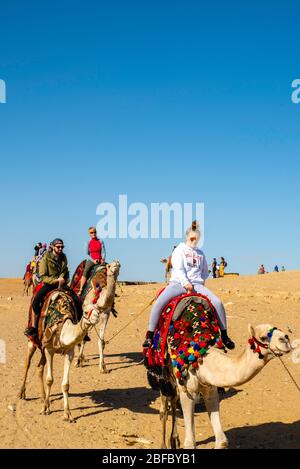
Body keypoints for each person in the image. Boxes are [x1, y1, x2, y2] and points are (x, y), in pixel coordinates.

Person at [143, 221, 235, 350]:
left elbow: (204, 272)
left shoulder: (201, 254)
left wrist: (199, 282)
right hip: (178, 283)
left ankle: (224, 335)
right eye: (192, 238)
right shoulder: (179, 250)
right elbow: (179, 268)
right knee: (159, 303)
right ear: (187, 237)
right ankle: (150, 335)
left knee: (217, 302)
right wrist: (186, 283)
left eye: (196, 238)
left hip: (197, 285)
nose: (194, 240)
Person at [25, 238, 82, 339]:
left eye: (62, 247)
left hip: (62, 284)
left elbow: (65, 269)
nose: (60, 248)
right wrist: (56, 280)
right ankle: (34, 327)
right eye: (58, 247)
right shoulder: (45, 258)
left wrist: (64, 278)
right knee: (35, 302)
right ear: (52, 247)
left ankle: (79, 328)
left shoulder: (63, 257)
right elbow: (43, 276)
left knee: (77, 301)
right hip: (49, 284)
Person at [78, 227, 106, 296]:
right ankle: (81, 289)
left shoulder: (101, 241)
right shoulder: (87, 242)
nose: (93, 234)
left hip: (100, 260)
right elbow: (86, 253)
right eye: (91, 232)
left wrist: (103, 258)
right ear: (89, 234)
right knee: (86, 271)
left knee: (108, 271)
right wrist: (93, 260)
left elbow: (103, 252)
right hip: (91, 260)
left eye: (94, 232)